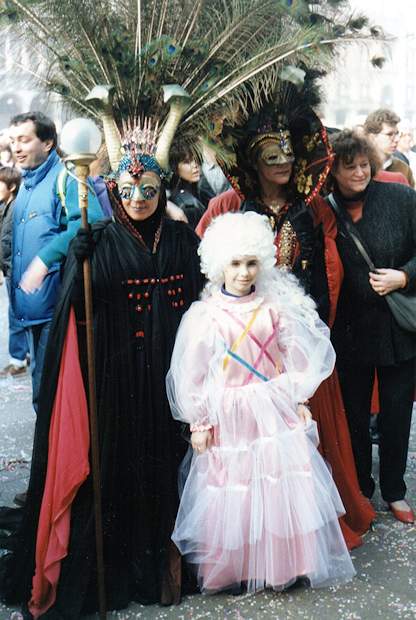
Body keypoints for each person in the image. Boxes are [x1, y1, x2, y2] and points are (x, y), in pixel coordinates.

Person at [0, 118, 204, 618]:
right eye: (129, 189)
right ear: (114, 190)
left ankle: (167, 562)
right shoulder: (99, 239)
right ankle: (120, 566)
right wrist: (76, 263)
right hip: (115, 379)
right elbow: (77, 314)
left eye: (150, 188)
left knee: (168, 463)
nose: (139, 198)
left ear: (162, 189)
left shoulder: (180, 240)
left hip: (171, 380)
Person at [196, 84, 376, 549]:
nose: (283, 163)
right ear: (254, 162)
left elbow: (328, 270)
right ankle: (263, 534)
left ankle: (312, 526)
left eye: (288, 155)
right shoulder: (231, 206)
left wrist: (316, 329)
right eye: (271, 157)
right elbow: (210, 264)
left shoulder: (311, 209)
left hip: (297, 341)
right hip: (246, 345)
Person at [167, 211, 355, 593]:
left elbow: (298, 356)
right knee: (234, 488)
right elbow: (193, 373)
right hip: (230, 414)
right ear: (219, 265)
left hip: (273, 409)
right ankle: (237, 566)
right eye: (235, 263)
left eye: (251, 263)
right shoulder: (206, 317)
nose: (243, 272)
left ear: (263, 262)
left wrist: (298, 398)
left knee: (278, 485)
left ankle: (283, 564)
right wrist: (199, 421)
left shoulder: (275, 309)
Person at [328, 129, 416, 525]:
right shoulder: (326, 210)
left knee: (397, 414)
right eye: (350, 168)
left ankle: (395, 489)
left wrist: (405, 276)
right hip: (350, 331)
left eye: (364, 165)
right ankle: (362, 488)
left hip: (398, 329)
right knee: (354, 415)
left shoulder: (399, 197)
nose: (360, 173)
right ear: (334, 172)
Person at [8, 111, 103, 414]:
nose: (17, 148)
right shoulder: (24, 184)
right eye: (13, 141)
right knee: (43, 391)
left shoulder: (66, 177)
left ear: (48, 142)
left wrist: (44, 259)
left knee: (50, 394)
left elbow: (92, 221)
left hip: (57, 304)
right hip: (31, 306)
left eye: (24, 140)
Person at [0, 166, 29, 377]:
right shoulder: (5, 206)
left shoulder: (16, 207)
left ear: (11, 187)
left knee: (16, 314)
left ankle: (18, 360)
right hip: (10, 269)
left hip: (15, 270)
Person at [363, 109, 415, 187]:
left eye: (397, 134)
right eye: (390, 134)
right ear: (372, 137)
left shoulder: (403, 168)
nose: (397, 139)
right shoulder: (360, 168)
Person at [168, 143, 206, 229]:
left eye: (196, 159)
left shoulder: (200, 190)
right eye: (187, 162)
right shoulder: (187, 205)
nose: (195, 165)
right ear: (175, 168)